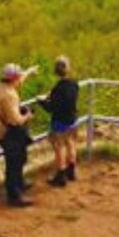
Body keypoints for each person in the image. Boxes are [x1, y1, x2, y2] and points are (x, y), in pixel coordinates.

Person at [0, 62, 37, 207]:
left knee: (20, 159)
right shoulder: (9, 96)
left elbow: (19, 79)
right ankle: (14, 195)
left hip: (4, 131)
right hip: (10, 133)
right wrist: (28, 116)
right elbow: (15, 120)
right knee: (14, 163)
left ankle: (20, 183)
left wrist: (29, 71)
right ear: (13, 79)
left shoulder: (1, 86)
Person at [37, 56, 80, 186]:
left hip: (59, 122)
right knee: (71, 143)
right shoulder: (74, 84)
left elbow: (51, 108)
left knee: (59, 147)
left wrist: (42, 101)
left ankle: (60, 175)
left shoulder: (57, 89)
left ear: (56, 71)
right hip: (72, 119)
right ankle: (71, 171)